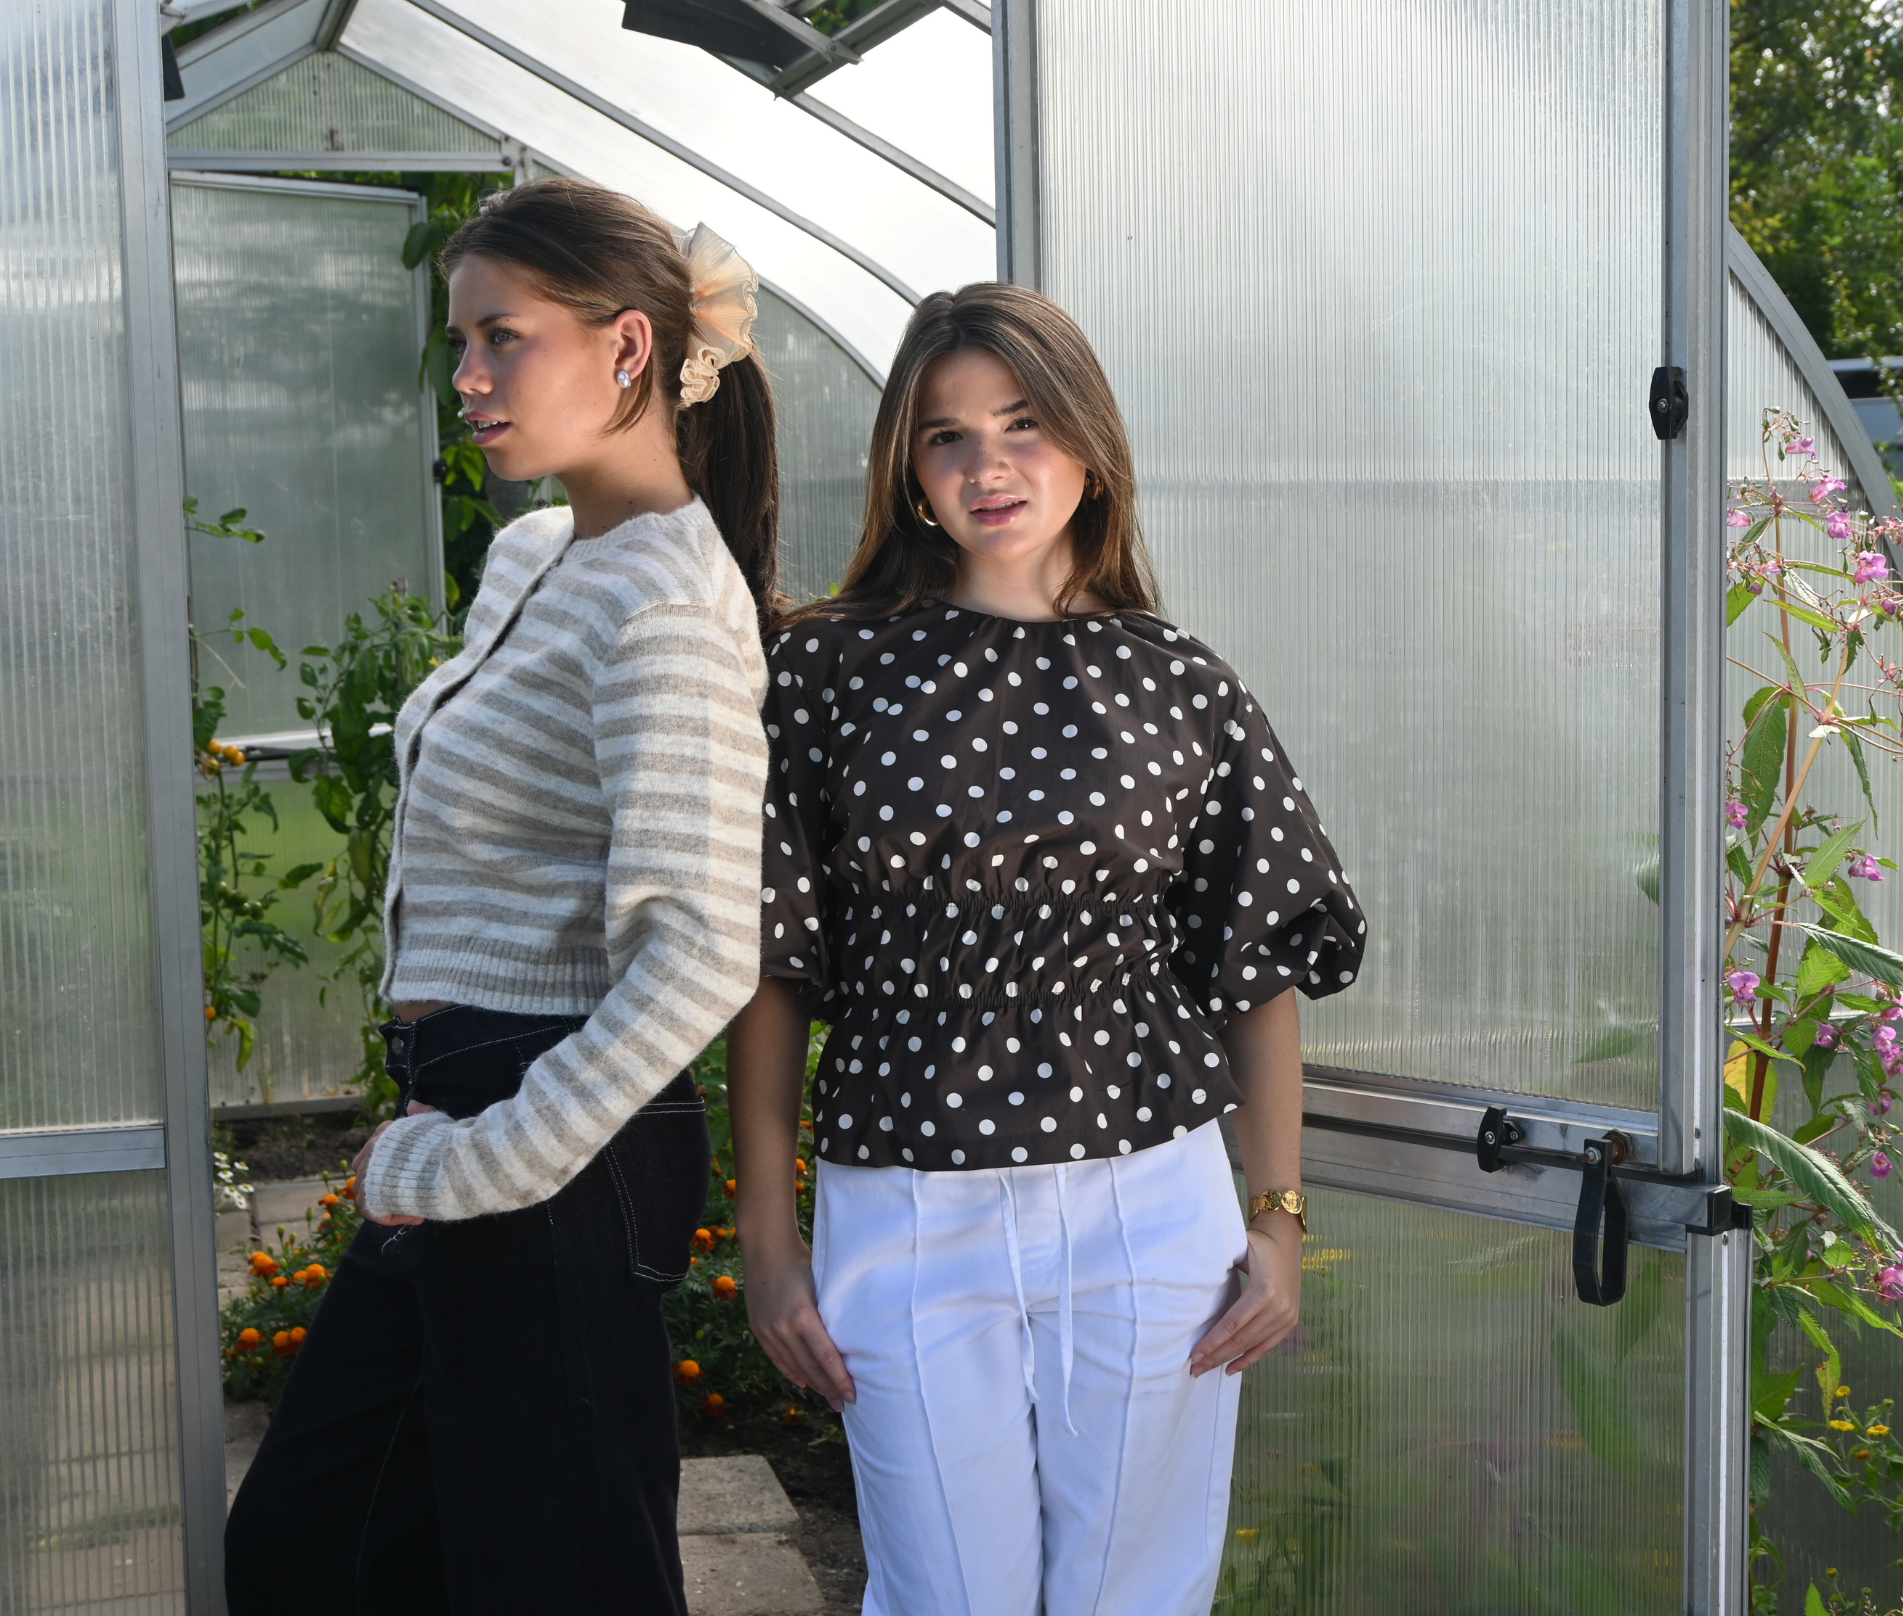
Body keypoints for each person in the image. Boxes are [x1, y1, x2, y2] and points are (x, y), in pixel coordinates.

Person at [727, 282, 1365, 1616]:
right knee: (943, 1594)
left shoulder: (1182, 681)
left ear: (1089, 438)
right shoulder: (825, 674)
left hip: (1146, 1206)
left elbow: (1256, 969)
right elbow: (774, 969)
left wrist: (1278, 1218)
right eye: (945, 436)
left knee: (1136, 1594)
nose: (988, 466)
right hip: (904, 1204)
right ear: (907, 469)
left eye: (1022, 422)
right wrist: (769, 1240)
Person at [225, 178, 777, 1616]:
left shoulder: (664, 608)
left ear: (629, 346)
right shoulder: (540, 553)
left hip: (552, 1141)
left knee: (556, 1572)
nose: (466, 377)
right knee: (316, 1545)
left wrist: (480, 1164)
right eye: (461, 341)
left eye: (501, 337)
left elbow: (704, 952)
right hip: (475, 1106)